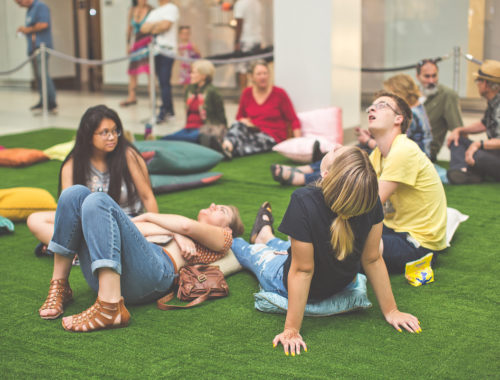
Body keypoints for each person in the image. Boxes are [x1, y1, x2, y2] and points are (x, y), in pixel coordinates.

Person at [232, 146, 421, 356]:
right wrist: (391, 311)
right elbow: (373, 259)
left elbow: (302, 271)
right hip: (342, 283)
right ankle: (266, 235)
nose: (336, 147)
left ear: (325, 174)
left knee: (251, 252)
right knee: (289, 249)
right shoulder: (371, 199)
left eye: (335, 153)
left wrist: (291, 329)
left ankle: (239, 236)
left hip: (291, 283)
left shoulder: (302, 200)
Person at [37, 185, 244, 332]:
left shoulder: (224, 238)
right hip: (108, 275)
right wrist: (175, 234)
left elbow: (185, 226)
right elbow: (135, 226)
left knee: (97, 200)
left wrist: (154, 219)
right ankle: (60, 285)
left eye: (223, 210)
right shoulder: (176, 227)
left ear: (228, 227)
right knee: (74, 194)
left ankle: (109, 307)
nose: (215, 204)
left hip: (155, 273)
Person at [27, 105, 158, 256]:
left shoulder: (128, 155)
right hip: (91, 226)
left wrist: (157, 232)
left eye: (115, 131)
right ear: (89, 136)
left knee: (140, 233)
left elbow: (147, 196)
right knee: (35, 220)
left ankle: (79, 251)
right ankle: (91, 250)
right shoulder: (72, 164)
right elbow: (67, 211)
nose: (112, 137)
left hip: (129, 222)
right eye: (105, 132)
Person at [367, 92, 447, 273]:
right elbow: (359, 189)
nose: (372, 109)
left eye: (382, 105)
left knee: (349, 248)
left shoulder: (403, 150)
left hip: (418, 244)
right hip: (392, 228)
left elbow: (370, 203)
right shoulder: (377, 154)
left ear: (398, 119)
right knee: (341, 241)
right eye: (371, 106)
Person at [215, 60, 301, 159]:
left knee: (248, 144)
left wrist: (298, 142)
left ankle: (224, 150)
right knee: (237, 125)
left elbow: (293, 119)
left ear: (269, 75)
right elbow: (239, 118)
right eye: (259, 74)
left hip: (272, 136)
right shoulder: (247, 93)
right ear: (252, 77)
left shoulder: (279, 93)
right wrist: (247, 123)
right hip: (252, 130)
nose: (263, 76)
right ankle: (227, 146)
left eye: (265, 73)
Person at [447, 60, 500, 184]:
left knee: (476, 154)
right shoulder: (493, 101)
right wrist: (460, 130)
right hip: (495, 154)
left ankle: (470, 172)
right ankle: (462, 171)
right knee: (458, 140)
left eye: (478, 81)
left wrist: (478, 144)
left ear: (486, 84)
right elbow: (484, 124)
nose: (477, 84)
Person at [161, 60, 226, 143]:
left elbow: (221, 115)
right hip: (188, 128)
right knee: (166, 139)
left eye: (194, 73)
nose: (191, 75)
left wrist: (223, 132)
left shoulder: (213, 91)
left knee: (185, 139)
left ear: (204, 76)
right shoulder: (189, 89)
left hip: (205, 130)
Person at [416, 59, 463, 162]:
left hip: (426, 151)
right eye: (427, 76)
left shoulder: (447, 95)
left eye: (434, 76)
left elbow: (458, 130)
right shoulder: (411, 94)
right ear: (417, 76)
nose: (431, 81)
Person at [140, 0, 179, 123]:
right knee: (161, 82)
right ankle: (170, 111)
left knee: (164, 81)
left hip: (167, 51)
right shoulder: (155, 11)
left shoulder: (171, 8)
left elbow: (165, 26)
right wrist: (157, 25)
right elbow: (143, 28)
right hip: (155, 51)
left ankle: (165, 111)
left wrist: (153, 26)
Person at [15, 0, 57, 112]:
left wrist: (26, 30)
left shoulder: (40, 6)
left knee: (42, 74)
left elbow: (44, 24)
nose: (20, 5)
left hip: (41, 47)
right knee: (38, 76)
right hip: (33, 48)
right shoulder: (30, 10)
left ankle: (51, 102)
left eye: (19, 2)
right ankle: (43, 101)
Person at [120, 0, 153, 107]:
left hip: (148, 44)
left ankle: (152, 98)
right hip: (136, 44)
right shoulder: (132, 10)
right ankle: (132, 96)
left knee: (150, 73)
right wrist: (127, 44)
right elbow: (129, 29)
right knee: (132, 72)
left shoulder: (151, 10)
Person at [233, 0, 263, 90]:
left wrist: (236, 41)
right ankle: (255, 92)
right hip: (257, 38)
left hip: (246, 39)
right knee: (254, 68)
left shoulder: (241, 3)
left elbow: (239, 23)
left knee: (243, 69)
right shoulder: (257, 3)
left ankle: (244, 93)